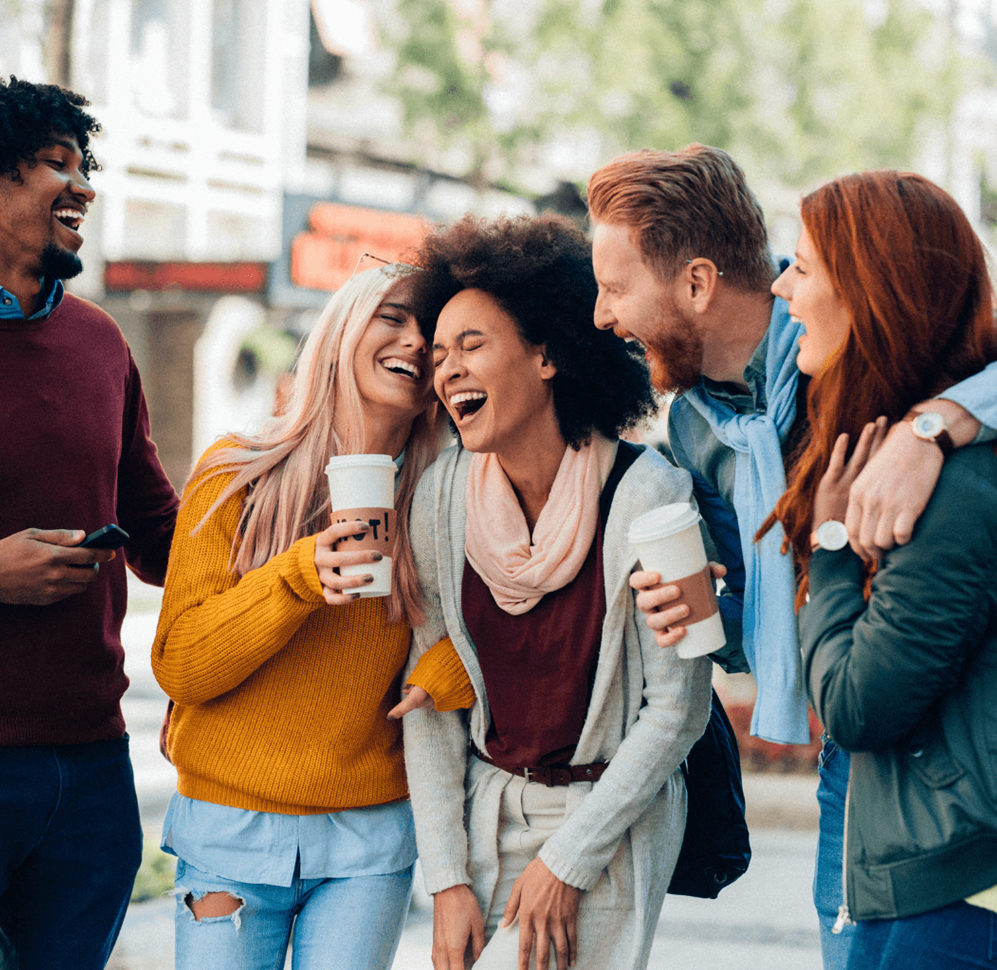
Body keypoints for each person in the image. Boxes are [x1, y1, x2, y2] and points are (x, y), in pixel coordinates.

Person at [587, 144, 997, 968]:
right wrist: (714, 613)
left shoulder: (848, 360)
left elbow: (961, 344)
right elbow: (779, 609)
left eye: (615, 287)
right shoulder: (697, 426)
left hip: (938, 757)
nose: (603, 315)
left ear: (697, 284)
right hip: (851, 754)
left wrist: (940, 422)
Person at [399, 214, 711, 970]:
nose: (449, 371)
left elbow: (679, 709)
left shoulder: (648, 495)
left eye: (472, 345)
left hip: (607, 827)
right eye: (440, 355)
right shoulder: (440, 500)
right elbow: (433, 703)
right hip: (486, 817)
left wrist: (566, 863)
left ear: (546, 354)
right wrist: (445, 881)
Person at [151, 262, 474, 970]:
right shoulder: (237, 472)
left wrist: (450, 670)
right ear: (343, 329)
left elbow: (489, 634)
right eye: (394, 317)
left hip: (368, 838)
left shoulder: (449, 498)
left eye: (435, 333)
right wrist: (298, 576)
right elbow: (181, 663)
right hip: (227, 833)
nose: (416, 341)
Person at [0, 69, 180, 969]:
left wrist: (286, 497)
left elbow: (159, 532)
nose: (84, 188)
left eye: (84, 165)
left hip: (92, 775)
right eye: (57, 164)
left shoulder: (99, 341)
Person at [764, 169, 997, 969]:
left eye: (800, 267)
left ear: (871, 294)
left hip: (955, 887)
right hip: (924, 857)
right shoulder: (911, 448)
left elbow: (861, 705)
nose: (781, 287)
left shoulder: (951, 487)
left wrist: (830, 550)